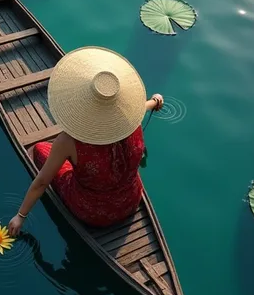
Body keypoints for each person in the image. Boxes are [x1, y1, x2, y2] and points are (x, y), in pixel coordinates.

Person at [8, 47, 163, 236]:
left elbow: (41, 183)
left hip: (92, 212)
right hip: (130, 201)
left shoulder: (67, 141)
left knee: (40, 149)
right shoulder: (132, 119)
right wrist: (155, 101)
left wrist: (20, 216)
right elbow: (142, 108)